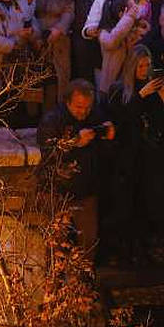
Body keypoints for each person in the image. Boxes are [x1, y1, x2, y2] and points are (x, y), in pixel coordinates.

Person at [104, 45, 164, 262]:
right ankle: (122, 247)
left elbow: (160, 124)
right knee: (124, 203)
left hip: (146, 155)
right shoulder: (119, 90)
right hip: (125, 156)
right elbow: (121, 121)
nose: (144, 69)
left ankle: (141, 245)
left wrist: (163, 100)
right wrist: (139, 96)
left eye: (147, 65)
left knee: (144, 200)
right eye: (140, 65)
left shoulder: (152, 90)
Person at [37, 79, 115, 253]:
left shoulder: (95, 115)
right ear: (67, 102)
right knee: (56, 246)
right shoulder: (52, 120)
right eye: (79, 107)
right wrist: (74, 142)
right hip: (58, 191)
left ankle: (83, 279)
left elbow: (105, 154)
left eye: (87, 107)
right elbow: (49, 153)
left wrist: (108, 136)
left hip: (86, 192)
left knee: (88, 244)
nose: (83, 112)